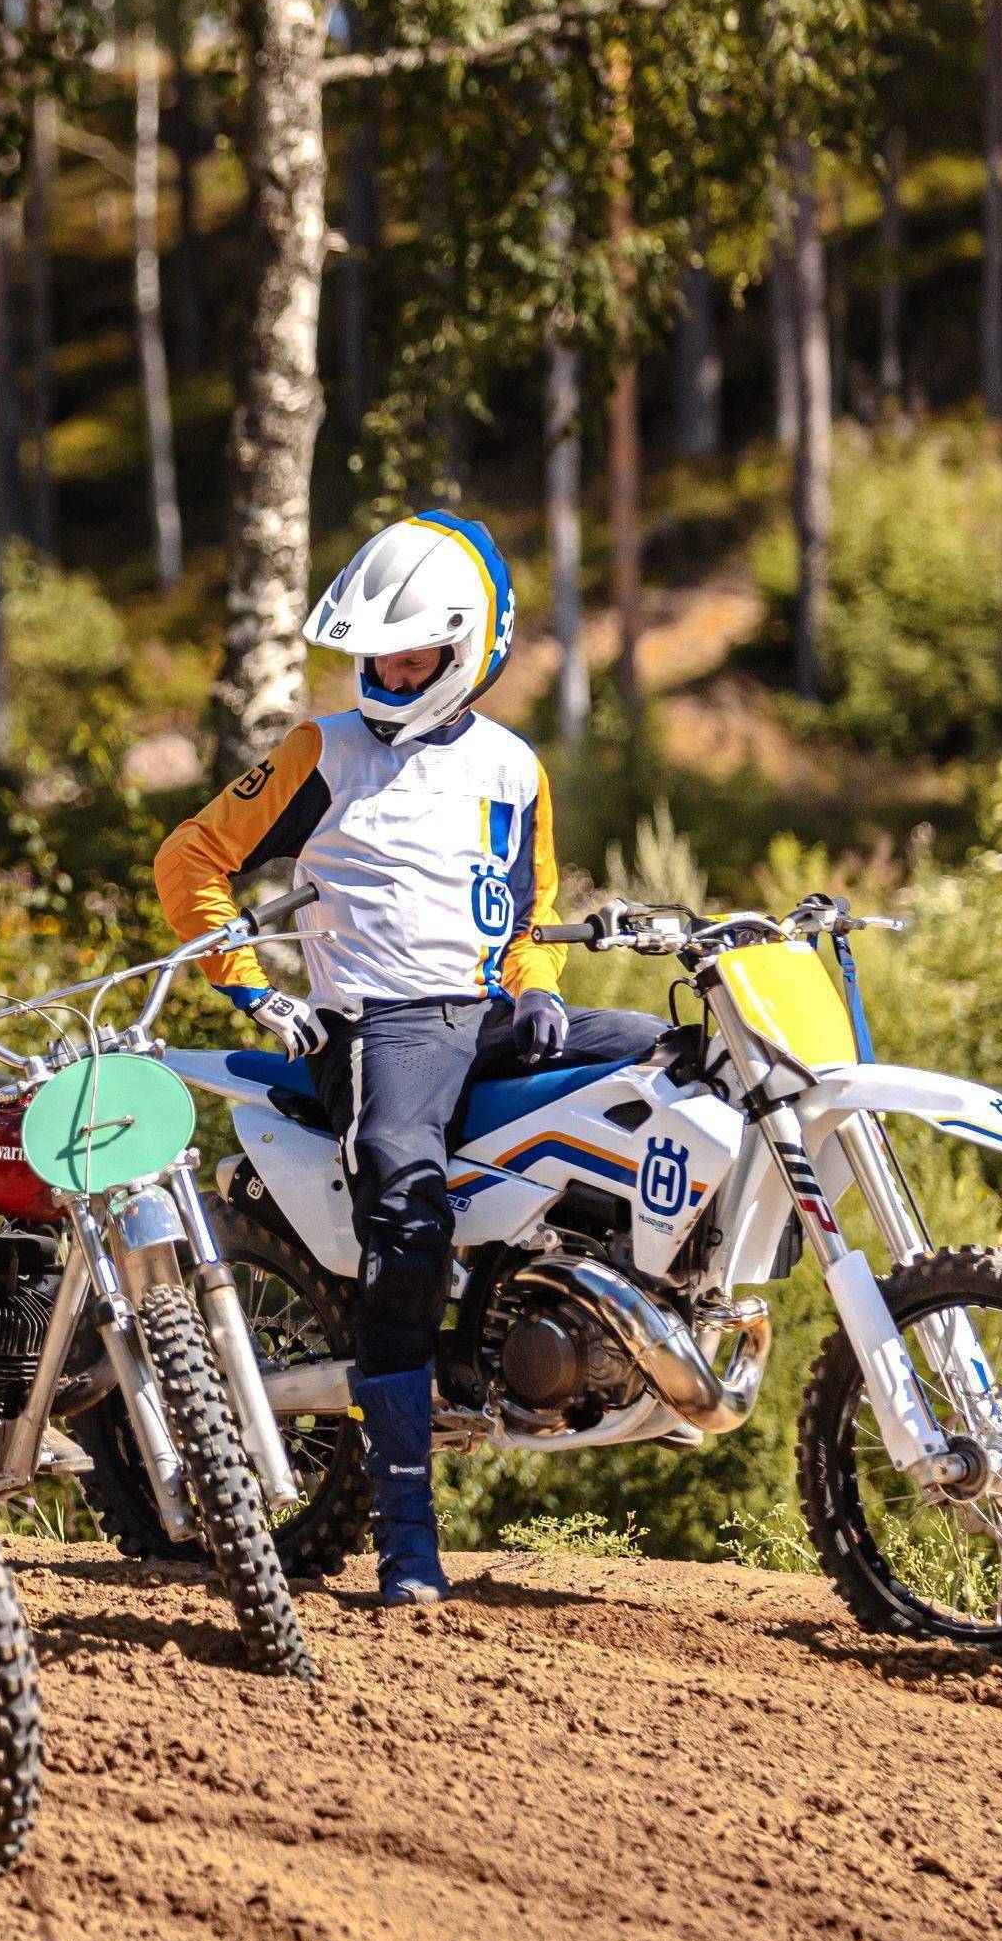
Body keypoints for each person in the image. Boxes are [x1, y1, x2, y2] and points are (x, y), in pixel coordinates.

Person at [151, 513, 663, 1609]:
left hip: (482, 1015)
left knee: (665, 1057)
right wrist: (248, 984)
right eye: (376, 656)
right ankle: (405, 1530)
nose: (387, 672)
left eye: (411, 656)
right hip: (372, 1025)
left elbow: (529, 909)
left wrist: (539, 990)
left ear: (472, 649)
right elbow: (190, 856)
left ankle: (633, 1314)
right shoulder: (321, 750)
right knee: (403, 1200)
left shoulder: (515, 767)